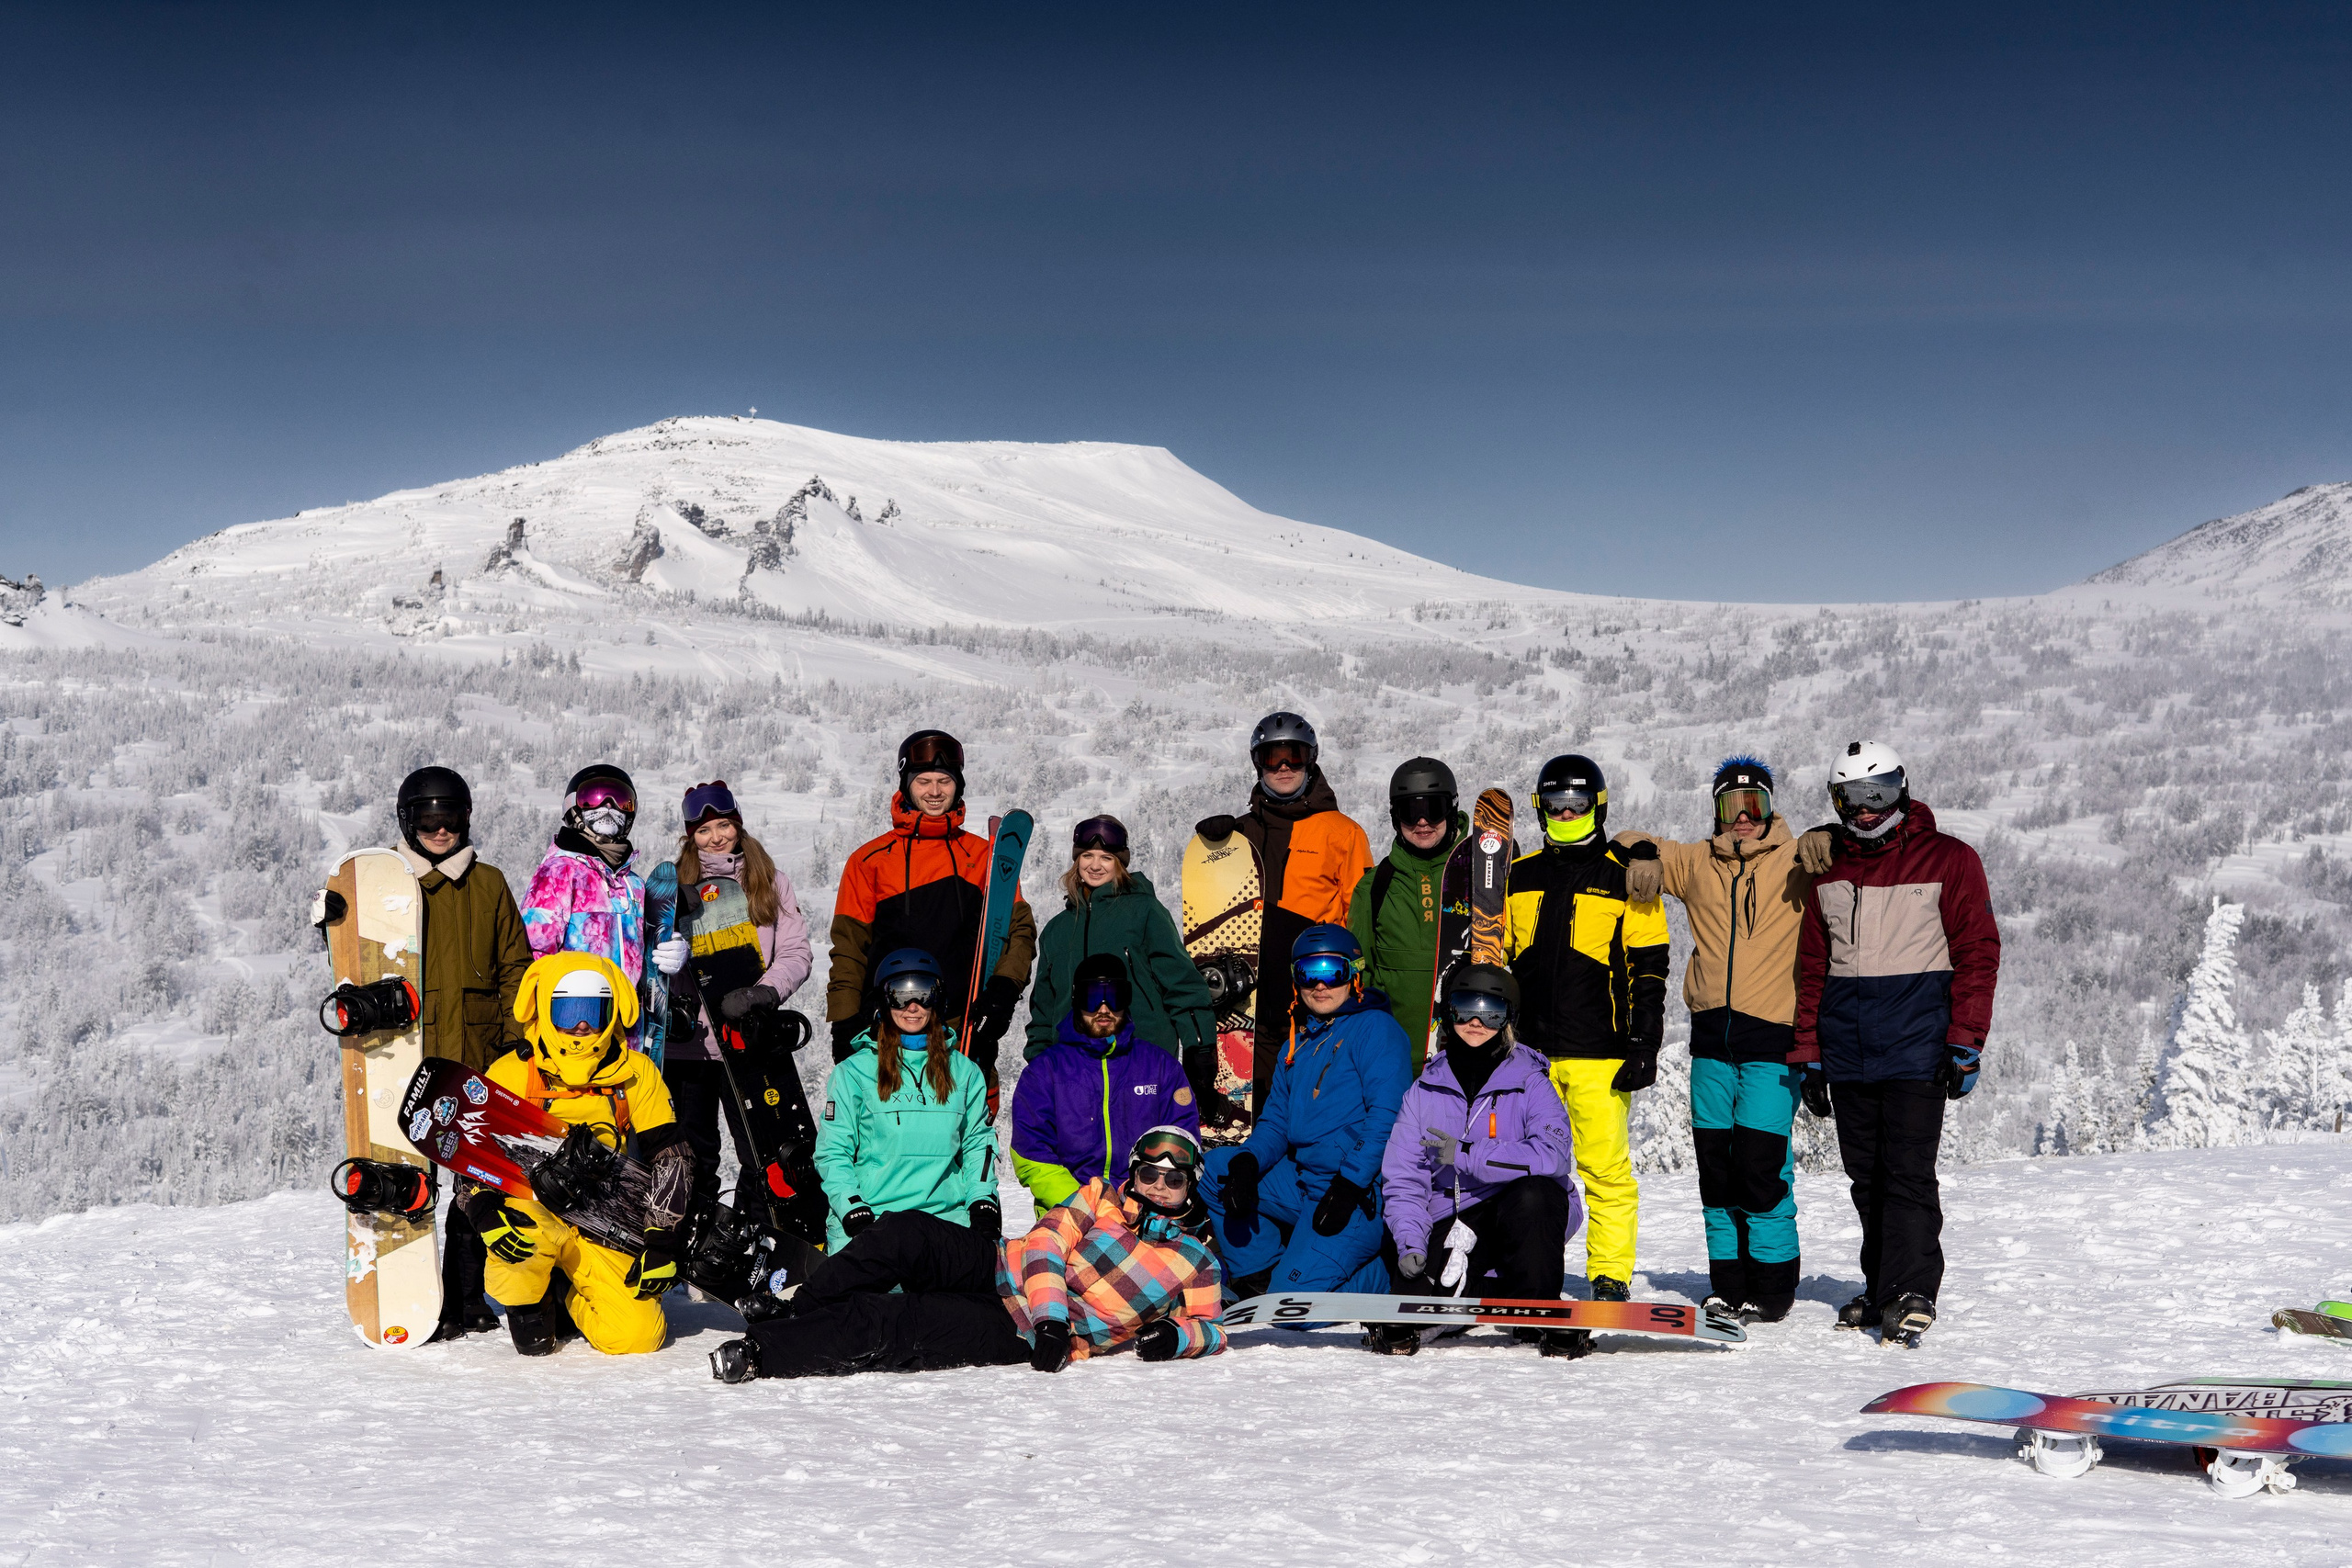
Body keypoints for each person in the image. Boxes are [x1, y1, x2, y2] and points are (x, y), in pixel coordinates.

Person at [710, 1124, 1227, 1382]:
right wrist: (1052, 1315)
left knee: (901, 1319)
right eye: (1149, 1174)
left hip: (1020, 1328)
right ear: (1134, 1172)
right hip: (1001, 1264)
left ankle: (765, 1353)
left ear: (1190, 1186)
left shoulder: (1196, 1260)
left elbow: (1213, 1326)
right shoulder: (1100, 1196)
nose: (1159, 1187)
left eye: (1174, 1180)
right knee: (904, 1233)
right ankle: (798, 1309)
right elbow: (1045, 1243)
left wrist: (1177, 1337)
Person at [1795, 741, 2000, 1347]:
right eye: (1851, 797)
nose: (1865, 808)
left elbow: (1978, 952)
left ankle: (1912, 1290)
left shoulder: (1950, 859)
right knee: (1867, 1178)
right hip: (1848, 1051)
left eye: (1878, 792)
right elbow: (1812, 968)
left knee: (1907, 1174)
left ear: (1902, 789)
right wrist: (1809, 1053)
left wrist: (1966, 1039)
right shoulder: (1829, 871)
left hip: (1918, 1047)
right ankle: (1883, 1286)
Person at [1614, 756, 1819, 1324]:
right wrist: (1643, 853)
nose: (1744, 817)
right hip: (1710, 1041)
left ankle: (1772, 1286)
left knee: (1761, 1165)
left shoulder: (1797, 860)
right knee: (1716, 1168)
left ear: (1771, 808)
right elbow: (1623, 839)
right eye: (1732, 805)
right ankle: (1728, 1284)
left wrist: (1827, 835)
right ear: (1717, 810)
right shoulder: (1696, 863)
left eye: (1756, 804)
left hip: (1771, 1042)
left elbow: (1850, 849)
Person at [467, 953, 695, 1356]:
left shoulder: (636, 1072)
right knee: (529, 1317)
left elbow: (672, 1156)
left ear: (612, 1012)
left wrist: (662, 1238)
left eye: (593, 1010)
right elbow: (471, 1150)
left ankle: (567, 1293)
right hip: (534, 1209)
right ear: (544, 1009)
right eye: (569, 1011)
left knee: (638, 1337)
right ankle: (531, 1298)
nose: (581, 1026)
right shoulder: (511, 1072)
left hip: (604, 1217)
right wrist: (481, 1207)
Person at [1503, 753, 1668, 1303]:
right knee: (1522, 1170)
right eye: (1555, 804)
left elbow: (1649, 969)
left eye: (1576, 804)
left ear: (1597, 806)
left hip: (1599, 1054)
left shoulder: (1627, 879)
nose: (1566, 814)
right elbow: (1498, 957)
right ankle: (1522, 1268)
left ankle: (1610, 1276)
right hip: (1527, 1056)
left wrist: (1644, 1044)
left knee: (1604, 1172)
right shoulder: (1520, 875)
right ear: (1540, 808)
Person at [1370, 964, 1584, 1357]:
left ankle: (1536, 1309)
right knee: (1416, 1296)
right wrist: (1410, 1242)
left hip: (1518, 1212)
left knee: (1534, 1194)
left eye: (1491, 1012)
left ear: (1509, 1019)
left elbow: (1552, 1155)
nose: (1475, 1021)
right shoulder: (1424, 1090)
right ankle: (1487, 1292)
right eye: (1465, 1007)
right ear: (1448, 1013)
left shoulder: (1531, 1081)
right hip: (1450, 1215)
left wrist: (1467, 1153)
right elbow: (1404, 1178)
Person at [389, 765, 535, 1342]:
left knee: (476, 1180)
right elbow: (358, 956)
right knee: (410, 1179)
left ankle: (466, 1298)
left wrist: (514, 1039)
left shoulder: (489, 883)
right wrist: (334, 917)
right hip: (406, 1053)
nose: (440, 830)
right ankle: (415, 1295)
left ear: (465, 819)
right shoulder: (388, 885)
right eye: (428, 820)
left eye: (449, 817)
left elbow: (514, 966)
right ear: (409, 823)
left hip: (476, 1052)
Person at [824, 729, 1035, 1113]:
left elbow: (1018, 931)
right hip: (890, 1027)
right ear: (906, 784)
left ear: (958, 786)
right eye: (923, 781)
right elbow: (849, 949)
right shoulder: (870, 861)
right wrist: (844, 1020)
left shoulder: (984, 858)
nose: (935, 791)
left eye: (945, 781)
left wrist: (1003, 991)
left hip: (964, 1027)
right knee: (891, 1126)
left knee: (968, 1127)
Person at [1202, 925, 1411, 1300]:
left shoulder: (1376, 1029)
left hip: (1356, 1192)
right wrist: (1249, 1160)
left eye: (1333, 971)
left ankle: (1380, 1276)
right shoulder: (1296, 1043)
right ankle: (1260, 1275)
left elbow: (1387, 1118)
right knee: (1217, 1170)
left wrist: (1349, 1185)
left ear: (1354, 974)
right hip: (1303, 1181)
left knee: (1292, 1306)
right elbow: (1275, 1122)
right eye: (1308, 973)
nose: (1320, 985)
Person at [1193, 712, 1374, 1116]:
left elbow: (1359, 920)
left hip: (1313, 998)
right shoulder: (1239, 834)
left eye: (1295, 755)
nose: (1284, 767)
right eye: (1272, 758)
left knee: (1307, 1109)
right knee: (1256, 1114)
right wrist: (1213, 850)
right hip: (1248, 1006)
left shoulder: (1343, 832)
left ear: (1311, 759)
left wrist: (1355, 993)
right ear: (1258, 764)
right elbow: (1211, 916)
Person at [663, 780, 814, 1224]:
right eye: (704, 830)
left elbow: (795, 952)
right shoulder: (672, 888)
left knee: (762, 1150)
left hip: (749, 1039)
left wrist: (763, 993)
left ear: (739, 825)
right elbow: (652, 958)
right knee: (693, 1154)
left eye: (724, 826)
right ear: (691, 835)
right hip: (690, 1046)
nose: (716, 837)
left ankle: (753, 1231)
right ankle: (696, 1236)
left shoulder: (770, 881)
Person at [1024, 813, 1220, 1112]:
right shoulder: (1056, 930)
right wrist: (1040, 1065)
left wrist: (1199, 1047)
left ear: (1120, 863)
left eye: (1106, 857)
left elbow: (1181, 984)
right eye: (1087, 856)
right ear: (1076, 860)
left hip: (1142, 1062)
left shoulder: (1145, 911)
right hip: (1074, 1073)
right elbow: (1044, 1010)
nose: (1095, 865)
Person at [815, 947, 998, 1254]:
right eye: (900, 994)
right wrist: (851, 1207)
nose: (913, 1006)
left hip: (945, 1221)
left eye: (924, 993)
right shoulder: (854, 1072)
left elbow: (978, 1144)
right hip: (873, 1221)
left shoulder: (964, 1072)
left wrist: (982, 1200)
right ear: (884, 1001)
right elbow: (833, 1151)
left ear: (938, 999)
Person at [1011, 953, 1201, 1213]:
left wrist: (1143, 1202)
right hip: (1070, 1209)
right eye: (1092, 998)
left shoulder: (1160, 1067)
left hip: (1146, 1206)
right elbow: (1031, 1153)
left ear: (1127, 999)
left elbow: (1183, 1142)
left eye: (1114, 997)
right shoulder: (1045, 1072)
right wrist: (1085, 1206)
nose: (1103, 1009)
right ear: (1077, 999)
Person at [521, 762, 676, 1050]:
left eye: (620, 800)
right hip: (576, 1026)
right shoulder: (558, 873)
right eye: (593, 798)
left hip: (627, 1030)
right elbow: (534, 953)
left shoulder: (634, 884)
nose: (608, 807)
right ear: (573, 808)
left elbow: (643, 955)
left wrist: (670, 952)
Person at [1348, 757, 1467, 1065]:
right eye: (1410, 812)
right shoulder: (1374, 887)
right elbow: (1361, 973)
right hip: (1394, 1057)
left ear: (1452, 810)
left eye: (1434, 809)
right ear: (1394, 817)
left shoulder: (1480, 877)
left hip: (1468, 1053)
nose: (1422, 822)